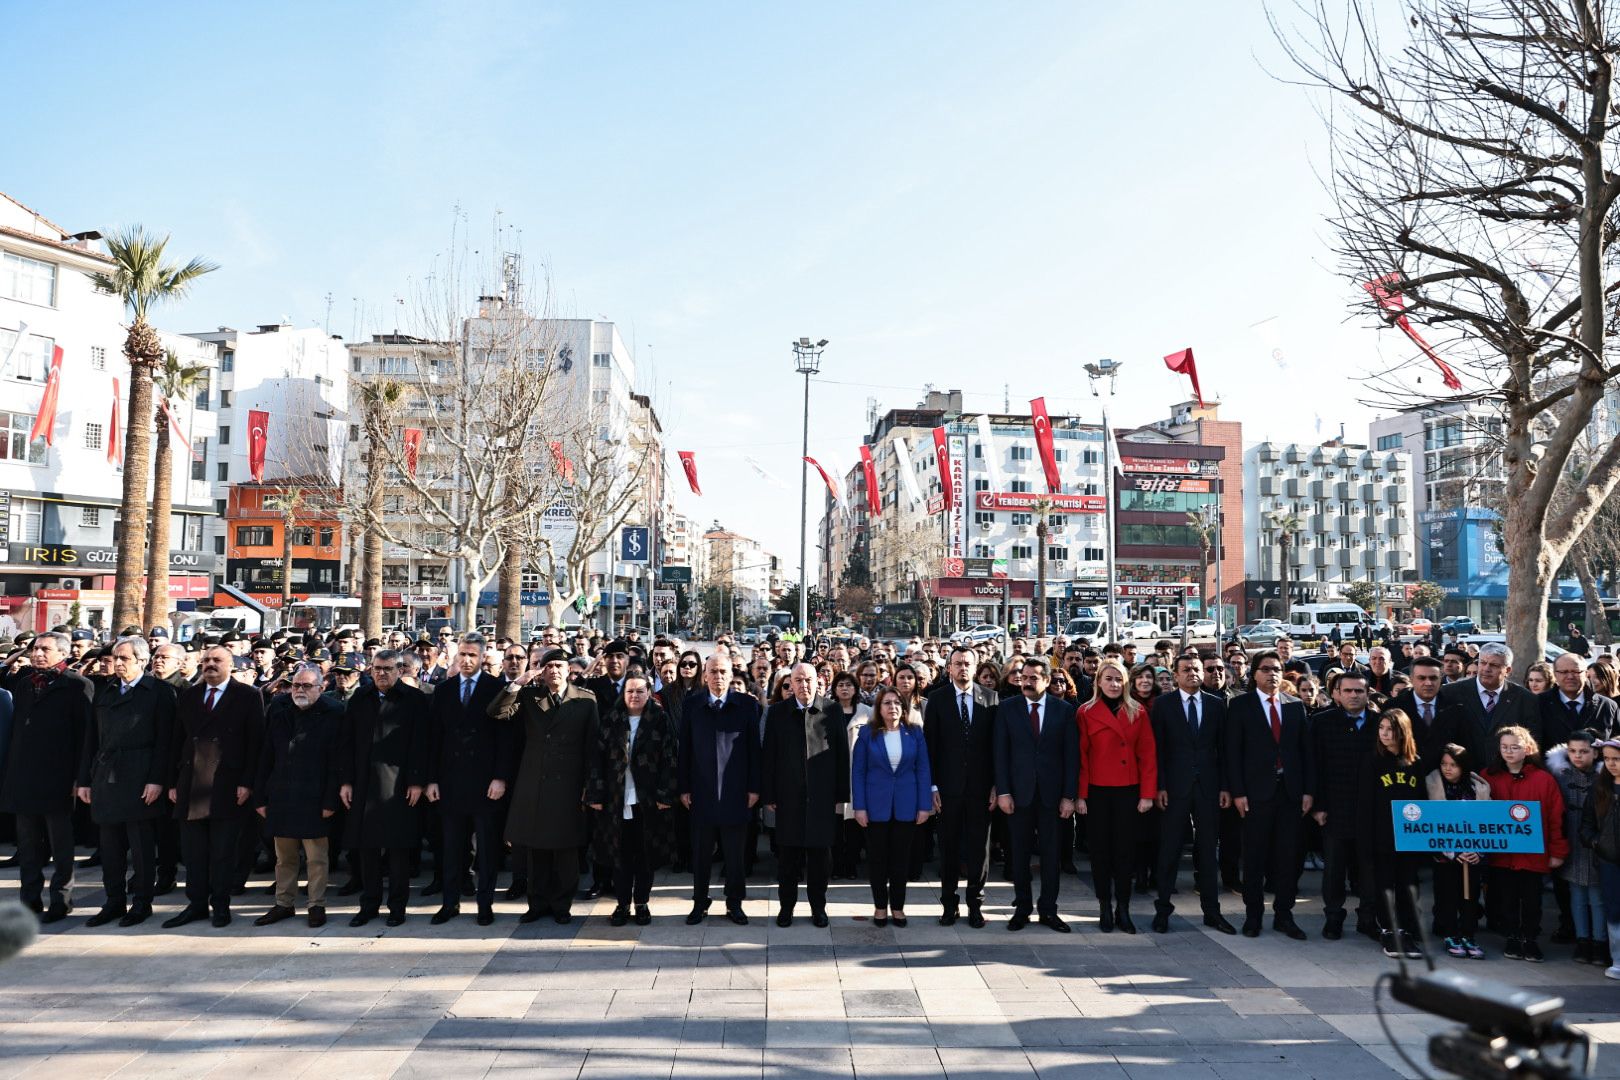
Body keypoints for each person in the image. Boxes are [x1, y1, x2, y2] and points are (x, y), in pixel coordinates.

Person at [492, 648, 598, 925]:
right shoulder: (529, 696)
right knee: (535, 849)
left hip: (570, 784)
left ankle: (562, 905)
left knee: (565, 850)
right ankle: (537, 904)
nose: (554, 670)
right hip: (535, 782)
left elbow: (592, 747)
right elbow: (497, 712)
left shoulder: (586, 700)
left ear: (568, 669)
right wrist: (519, 682)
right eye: (548, 666)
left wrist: (590, 785)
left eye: (559, 666)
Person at [76, 636, 175, 928]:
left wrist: (157, 779)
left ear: (142, 661)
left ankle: (142, 903)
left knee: (142, 848)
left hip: (140, 776)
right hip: (106, 777)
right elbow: (91, 740)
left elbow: (165, 742)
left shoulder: (159, 692)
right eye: (115, 658)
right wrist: (84, 780)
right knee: (110, 846)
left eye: (124, 658)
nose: (118, 664)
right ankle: (114, 900)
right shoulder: (105, 691)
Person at [164, 644, 265, 928]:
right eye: (206, 659)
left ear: (230, 664)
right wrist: (172, 782)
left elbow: (255, 743)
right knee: (194, 854)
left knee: (222, 854)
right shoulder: (190, 695)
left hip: (227, 784)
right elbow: (177, 740)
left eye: (217, 660)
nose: (210, 664)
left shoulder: (247, 695)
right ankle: (196, 905)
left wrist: (247, 782)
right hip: (191, 784)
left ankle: (220, 905)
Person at [1, 632, 93, 923]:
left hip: (59, 779)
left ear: (62, 653)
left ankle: (60, 900)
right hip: (24, 778)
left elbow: (85, 738)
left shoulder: (78, 686)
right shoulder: (26, 684)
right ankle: (29, 901)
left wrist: (81, 778)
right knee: (27, 846)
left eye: (45, 649)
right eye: (35, 649)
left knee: (61, 846)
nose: (38, 653)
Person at [426, 633, 512, 926]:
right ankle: (449, 903)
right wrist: (432, 780)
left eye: (472, 655)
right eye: (462, 654)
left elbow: (505, 740)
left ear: (482, 658)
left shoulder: (496, 688)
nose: (466, 660)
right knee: (452, 848)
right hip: (450, 783)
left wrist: (500, 777)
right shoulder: (444, 690)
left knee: (486, 850)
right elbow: (434, 738)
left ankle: (484, 904)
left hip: (485, 784)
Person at [1226, 649, 1311, 940]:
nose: (1272, 674)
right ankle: (1253, 917)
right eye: (1265, 669)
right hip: (1254, 794)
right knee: (1254, 858)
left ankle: (1284, 916)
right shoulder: (1240, 706)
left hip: (1289, 794)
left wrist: (1308, 791)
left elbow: (1304, 753)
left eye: (1277, 668)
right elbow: (1232, 754)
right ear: (1254, 673)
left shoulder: (1295, 706)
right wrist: (1237, 792)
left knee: (1287, 858)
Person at [252, 663, 343, 928]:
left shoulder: (335, 712)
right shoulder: (279, 709)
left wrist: (330, 800)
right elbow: (266, 755)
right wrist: (260, 796)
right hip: (281, 794)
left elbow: (337, 762)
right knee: (285, 857)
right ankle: (284, 903)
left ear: (320, 687)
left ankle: (316, 904)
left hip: (315, 795)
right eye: (296, 685)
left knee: (316, 858)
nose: (299, 690)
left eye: (306, 686)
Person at [1150, 653, 1234, 935]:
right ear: (1175, 675)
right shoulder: (1163, 705)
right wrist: (1159, 785)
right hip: (1173, 787)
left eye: (1197, 669)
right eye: (1186, 670)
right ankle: (1162, 910)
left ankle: (1212, 912)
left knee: (1209, 851)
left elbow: (1224, 750)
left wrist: (1225, 786)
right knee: (1169, 849)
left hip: (1209, 786)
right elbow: (1157, 750)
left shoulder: (1216, 704)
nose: (1193, 673)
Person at [994, 658, 1079, 932]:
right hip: (1018, 795)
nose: (1026, 681)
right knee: (1018, 854)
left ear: (1046, 679)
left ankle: (1049, 910)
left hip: (1052, 797)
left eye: (1033, 677)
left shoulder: (1063, 711)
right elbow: (1000, 754)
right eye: (1024, 676)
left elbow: (1071, 756)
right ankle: (1022, 908)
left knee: (1051, 855)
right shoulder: (1007, 709)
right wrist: (1004, 791)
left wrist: (1069, 796)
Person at [586, 672, 677, 926]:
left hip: (648, 801)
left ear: (649, 693)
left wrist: (664, 794)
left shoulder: (659, 719)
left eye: (640, 691)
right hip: (616, 800)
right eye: (630, 691)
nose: (635, 696)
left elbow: (670, 759)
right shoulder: (611, 719)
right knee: (620, 856)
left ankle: (642, 903)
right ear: (623, 694)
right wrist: (595, 793)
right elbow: (597, 759)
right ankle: (622, 904)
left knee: (645, 855)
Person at [678, 653, 761, 926]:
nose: (718, 677)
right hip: (701, 792)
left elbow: (754, 750)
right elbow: (685, 750)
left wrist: (754, 787)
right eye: (713, 671)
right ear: (704, 675)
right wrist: (684, 787)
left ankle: (734, 903)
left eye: (723, 671)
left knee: (735, 855)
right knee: (701, 854)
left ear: (731, 673)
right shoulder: (692, 705)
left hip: (737, 792)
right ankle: (700, 902)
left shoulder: (748, 705)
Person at [761, 663, 846, 928]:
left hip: (822, 798)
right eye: (798, 680)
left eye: (808, 679)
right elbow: (769, 755)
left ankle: (818, 908)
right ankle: (786, 908)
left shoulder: (831, 709)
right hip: (788, 798)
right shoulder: (777, 712)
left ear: (818, 681)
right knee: (788, 859)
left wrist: (840, 795)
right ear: (791, 684)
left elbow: (842, 754)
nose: (804, 685)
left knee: (820, 859)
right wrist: (769, 793)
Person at [1077, 658, 1156, 934]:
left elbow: (1147, 756)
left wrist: (1147, 794)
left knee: (1125, 852)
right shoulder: (1085, 712)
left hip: (1128, 790)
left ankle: (1123, 907)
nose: (1113, 684)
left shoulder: (1138, 712)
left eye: (1118, 679)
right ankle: (1104, 907)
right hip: (1097, 791)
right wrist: (1081, 796)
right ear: (1098, 681)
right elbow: (1082, 757)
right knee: (1100, 853)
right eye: (1108, 678)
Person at [924, 645, 999, 928]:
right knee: (949, 847)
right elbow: (931, 746)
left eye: (968, 663)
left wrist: (996, 785)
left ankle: (975, 904)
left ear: (976, 667)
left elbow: (996, 747)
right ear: (949, 668)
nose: (963, 668)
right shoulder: (937, 699)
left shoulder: (991, 699)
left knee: (980, 849)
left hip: (981, 789)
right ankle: (948, 903)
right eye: (958, 663)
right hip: (947, 789)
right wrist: (932, 787)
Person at [1484, 725, 1568, 962]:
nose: (1509, 752)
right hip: (1502, 855)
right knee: (1506, 899)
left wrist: (1558, 851)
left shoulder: (1544, 780)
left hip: (1533, 855)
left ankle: (1529, 939)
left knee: (1532, 900)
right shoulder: (1488, 776)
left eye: (1515, 747)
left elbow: (1556, 818)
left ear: (1528, 748)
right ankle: (1512, 937)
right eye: (1504, 747)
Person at [852, 686, 933, 927]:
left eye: (897, 703)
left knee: (901, 860)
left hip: (907, 806)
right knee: (877, 860)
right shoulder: (867, 733)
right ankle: (880, 907)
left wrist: (924, 806)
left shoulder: (915, 733)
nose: (893, 707)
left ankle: (897, 907)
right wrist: (860, 807)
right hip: (875, 807)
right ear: (879, 707)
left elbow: (923, 770)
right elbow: (858, 772)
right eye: (887, 703)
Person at [1310, 670, 1380, 941]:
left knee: (1368, 869)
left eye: (1359, 691)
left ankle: (1367, 918)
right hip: (1334, 807)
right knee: (1334, 870)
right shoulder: (1321, 722)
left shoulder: (1379, 722)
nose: (1353, 695)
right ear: (1336, 694)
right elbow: (1313, 766)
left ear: (1367, 694)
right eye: (1347, 691)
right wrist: (1317, 805)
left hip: (1371, 810)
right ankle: (1334, 918)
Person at [1360, 709, 1424, 959]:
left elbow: (1421, 802)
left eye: (1391, 729)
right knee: (1384, 884)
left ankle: (1407, 930)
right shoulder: (1372, 760)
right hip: (1381, 836)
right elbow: (1365, 804)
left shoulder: (1415, 762)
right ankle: (1388, 930)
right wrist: (1366, 840)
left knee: (1408, 884)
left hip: (1408, 836)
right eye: (1381, 728)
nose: (1385, 734)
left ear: (1403, 731)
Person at [1426, 743, 1490, 959]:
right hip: (1445, 856)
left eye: (1453, 764)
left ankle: (1468, 935)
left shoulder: (1477, 788)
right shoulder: (1433, 786)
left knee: (1470, 896)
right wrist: (1452, 852)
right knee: (1447, 896)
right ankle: (1450, 934)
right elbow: (1430, 824)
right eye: (1444, 764)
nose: (1448, 769)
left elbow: (1487, 823)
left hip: (1471, 856)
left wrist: (1477, 851)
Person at [1548, 730, 1605, 965]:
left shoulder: (1604, 777)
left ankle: (1600, 943)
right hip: (1570, 838)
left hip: (1596, 842)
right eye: (1572, 751)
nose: (1578, 756)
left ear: (1595, 751)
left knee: (1597, 896)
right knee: (1576, 894)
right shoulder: (1560, 775)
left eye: (1584, 751)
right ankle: (1582, 941)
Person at [1441, 642, 1541, 765]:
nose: (1486, 669)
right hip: (1463, 774)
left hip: (1507, 775)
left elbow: (1533, 742)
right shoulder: (1450, 693)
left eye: (1493, 665)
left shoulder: (1525, 699)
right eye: (1482, 663)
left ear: (1508, 670)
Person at [1579, 739, 1620, 979]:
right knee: (1614, 911)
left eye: (1616, 759)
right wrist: (1597, 843)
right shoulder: (1600, 787)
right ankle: (1618, 960)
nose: (1611, 764)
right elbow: (1587, 825)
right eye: (1606, 759)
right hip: (1608, 861)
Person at [1389, 656, 1466, 776]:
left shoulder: (1455, 706)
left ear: (1441, 679)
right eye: (1422, 678)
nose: (1428, 683)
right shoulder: (1393, 707)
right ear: (1411, 679)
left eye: (1433, 678)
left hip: (1444, 780)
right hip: (1404, 777)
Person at [1543, 655, 1620, 747]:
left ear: (1586, 674)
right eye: (1564, 672)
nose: (1570, 676)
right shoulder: (1539, 703)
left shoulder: (1607, 706)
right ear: (1555, 674)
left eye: (1576, 671)